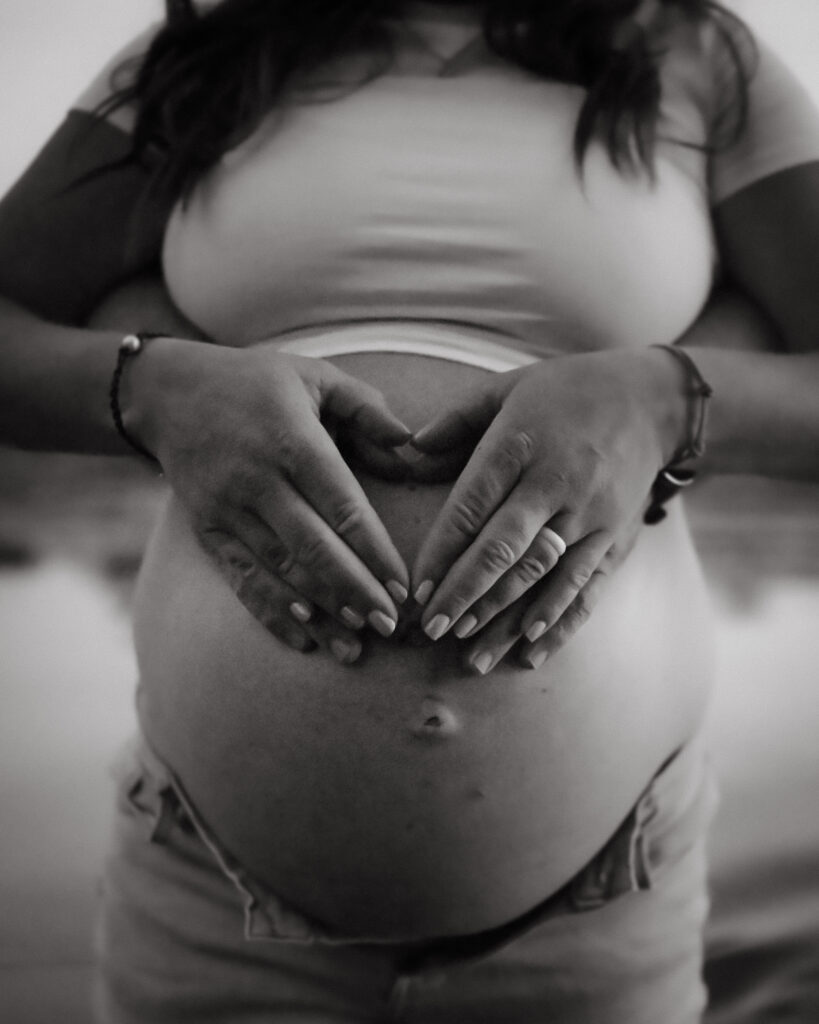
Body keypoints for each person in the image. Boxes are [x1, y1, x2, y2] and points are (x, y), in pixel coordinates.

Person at [1, 1, 817, 1020]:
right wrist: (154, 392)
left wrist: (667, 402)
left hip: (600, 916)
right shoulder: (212, 54)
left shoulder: (694, 52)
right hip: (213, 912)